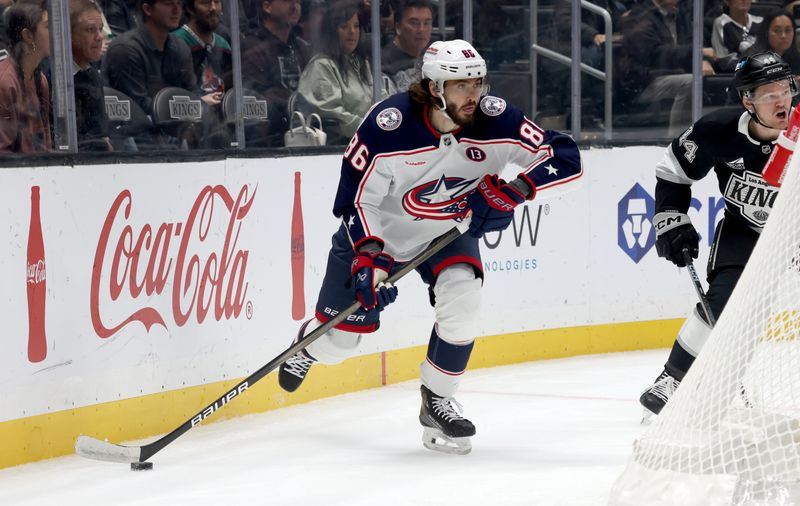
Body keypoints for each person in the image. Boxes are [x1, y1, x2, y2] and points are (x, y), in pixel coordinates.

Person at [278, 39, 582, 454]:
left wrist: (514, 191)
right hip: (375, 237)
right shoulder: (388, 125)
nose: (473, 94)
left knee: (464, 300)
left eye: (477, 82)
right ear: (435, 86)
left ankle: (436, 399)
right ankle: (310, 345)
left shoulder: (497, 120)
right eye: (461, 85)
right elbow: (355, 200)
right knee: (341, 343)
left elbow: (565, 156)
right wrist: (369, 258)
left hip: (446, 234)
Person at [639, 51, 796, 416]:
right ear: (747, 100)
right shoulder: (718, 131)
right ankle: (671, 380)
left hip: (795, 232)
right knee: (719, 303)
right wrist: (671, 217)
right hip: (745, 230)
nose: (781, 100)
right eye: (769, 93)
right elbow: (673, 169)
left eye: (785, 89)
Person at [296, 0, 393, 141]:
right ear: (331, 31)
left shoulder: (362, 63)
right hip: (339, 146)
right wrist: (369, 128)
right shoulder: (322, 66)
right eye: (344, 26)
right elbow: (331, 114)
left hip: (370, 140)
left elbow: (381, 100)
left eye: (356, 26)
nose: (352, 32)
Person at [617, 0, 717, 136]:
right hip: (642, 81)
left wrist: (703, 59)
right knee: (690, 82)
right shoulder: (640, 15)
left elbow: (691, 45)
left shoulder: (681, 16)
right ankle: (677, 140)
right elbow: (655, 55)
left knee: (716, 80)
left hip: (673, 74)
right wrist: (697, 53)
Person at [241, 0, 311, 145]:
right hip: (268, 143)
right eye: (288, 1)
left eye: (298, 1)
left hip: (305, 133)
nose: (295, 6)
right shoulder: (251, 47)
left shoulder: (302, 48)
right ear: (267, 6)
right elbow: (257, 99)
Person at [0, 0, 51, 153]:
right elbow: (3, 153)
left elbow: (46, 143)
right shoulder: (5, 83)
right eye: (48, 27)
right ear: (28, 36)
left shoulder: (41, 81)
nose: (55, 33)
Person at [71, 0, 113, 151]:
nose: (99, 37)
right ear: (68, 34)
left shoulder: (92, 75)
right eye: (90, 30)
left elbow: (103, 133)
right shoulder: (52, 78)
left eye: (100, 29)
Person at [173, 0, 232, 94]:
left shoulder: (224, 45)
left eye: (216, 2)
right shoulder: (176, 43)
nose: (213, 8)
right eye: (205, 2)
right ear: (190, 8)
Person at [381, 0, 433, 92]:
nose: (421, 29)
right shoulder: (383, 64)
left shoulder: (433, 58)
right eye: (414, 23)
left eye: (426, 23)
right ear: (398, 27)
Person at [742, 10, 800, 76]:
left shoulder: (795, 57)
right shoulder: (753, 60)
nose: (783, 36)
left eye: (788, 30)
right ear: (766, 33)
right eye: (777, 31)